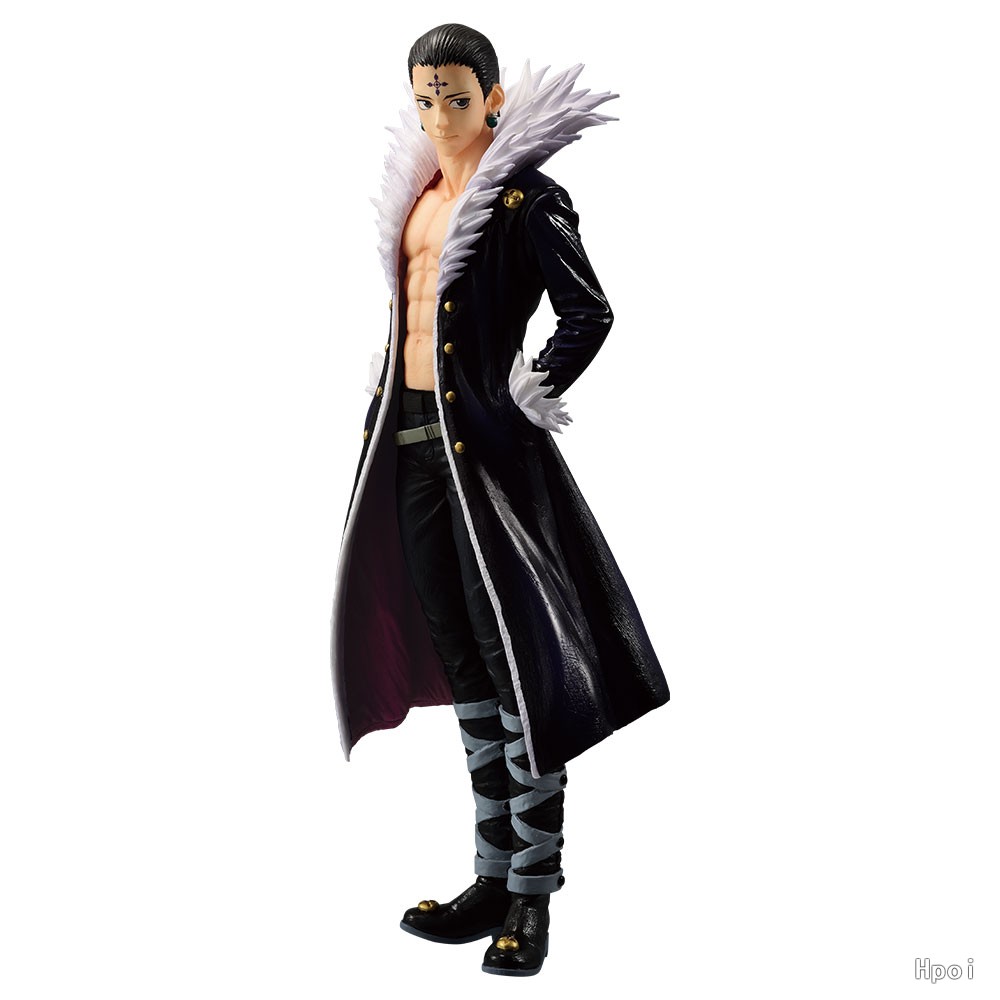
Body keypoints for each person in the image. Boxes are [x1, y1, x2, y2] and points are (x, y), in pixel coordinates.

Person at [330, 23, 670, 976]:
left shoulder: (525, 199)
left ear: (492, 99)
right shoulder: (416, 198)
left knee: (523, 671)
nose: (439, 115)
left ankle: (533, 893)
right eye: (424, 97)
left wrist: (528, 395)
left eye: (455, 96)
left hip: (485, 461)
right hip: (406, 450)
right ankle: (491, 873)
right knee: (468, 669)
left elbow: (589, 310)